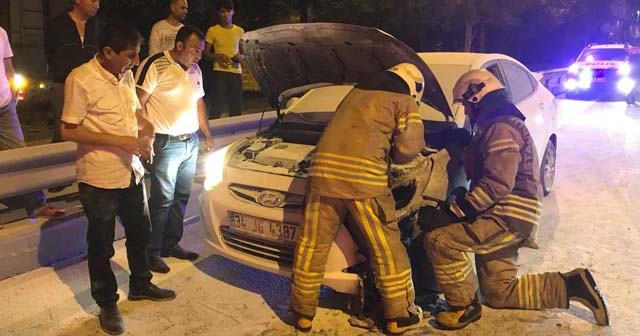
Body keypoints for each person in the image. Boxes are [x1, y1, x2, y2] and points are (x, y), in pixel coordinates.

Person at [423, 69, 609, 330]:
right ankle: (573, 285)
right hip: (512, 215)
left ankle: (462, 306)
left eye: (466, 103)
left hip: (506, 216)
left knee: (441, 241)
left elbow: (498, 183)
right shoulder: (498, 126)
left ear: (477, 97)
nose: (465, 111)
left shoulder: (501, 128)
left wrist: (454, 211)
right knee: (498, 293)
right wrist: (462, 143)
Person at [290, 63, 426, 335]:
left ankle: (303, 313)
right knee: (386, 248)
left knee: (311, 245)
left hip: (322, 178)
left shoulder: (355, 93)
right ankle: (399, 315)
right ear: (415, 87)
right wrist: (393, 158)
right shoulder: (403, 100)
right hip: (364, 183)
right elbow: (409, 147)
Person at [60, 21, 176, 335]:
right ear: (108, 52)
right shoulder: (81, 79)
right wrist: (121, 141)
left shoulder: (124, 74)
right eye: (131, 55)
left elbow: (136, 110)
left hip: (132, 172)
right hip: (99, 177)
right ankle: (107, 303)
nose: (136, 62)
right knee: (102, 245)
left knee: (140, 234)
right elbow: (68, 129)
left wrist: (147, 130)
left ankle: (141, 284)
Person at [135, 25, 214, 274]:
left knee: (181, 196)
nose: (198, 55)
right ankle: (153, 251)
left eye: (200, 51)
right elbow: (137, 101)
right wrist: (145, 133)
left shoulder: (195, 69)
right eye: (194, 50)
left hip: (189, 141)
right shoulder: (155, 64)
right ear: (178, 46)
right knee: (162, 199)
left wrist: (206, 133)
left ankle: (171, 243)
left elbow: (198, 102)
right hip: (165, 143)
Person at [0, 26, 65, 223]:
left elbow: (8, 66)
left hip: (4, 106)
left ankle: (37, 205)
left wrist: (12, 93)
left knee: (20, 155)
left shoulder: (1, 32)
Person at [45, 0, 101, 144]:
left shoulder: (98, 26)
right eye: (93, 1)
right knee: (64, 133)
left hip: (92, 88)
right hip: (63, 86)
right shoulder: (57, 25)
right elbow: (50, 55)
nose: (97, 5)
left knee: (90, 131)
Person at [204, 0, 245, 119]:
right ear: (218, 13)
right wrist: (219, 56)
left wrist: (240, 57)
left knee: (236, 108)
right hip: (220, 72)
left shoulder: (239, 31)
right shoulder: (213, 30)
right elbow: (205, 54)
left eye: (228, 11)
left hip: (236, 72)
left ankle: (235, 134)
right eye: (222, 11)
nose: (225, 14)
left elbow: (244, 53)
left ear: (233, 12)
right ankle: (211, 133)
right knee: (216, 107)